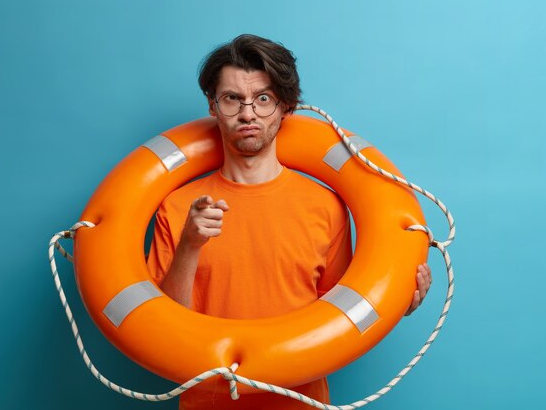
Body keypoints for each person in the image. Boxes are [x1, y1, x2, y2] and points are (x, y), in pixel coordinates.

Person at [147, 34, 432, 410]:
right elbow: (162, 331)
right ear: (214, 107)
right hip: (207, 402)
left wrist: (396, 299)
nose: (247, 113)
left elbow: (341, 316)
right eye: (232, 98)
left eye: (262, 99)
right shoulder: (178, 207)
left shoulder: (325, 206)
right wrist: (189, 245)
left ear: (285, 106)